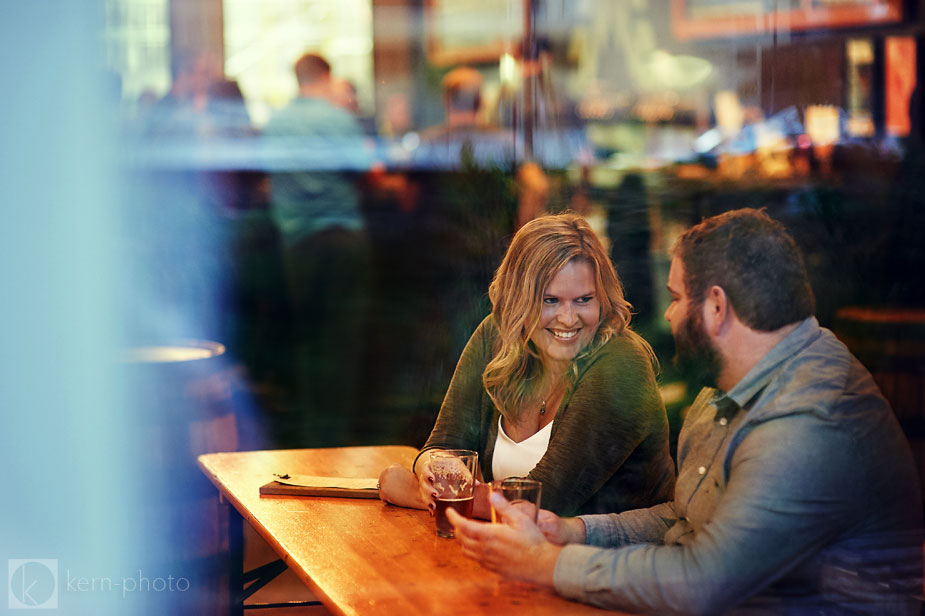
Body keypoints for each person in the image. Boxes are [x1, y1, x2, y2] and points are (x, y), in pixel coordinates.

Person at [448, 208, 924, 614]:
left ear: (716, 308)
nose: (669, 315)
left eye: (676, 298)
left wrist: (544, 564)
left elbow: (702, 582)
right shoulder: (725, 389)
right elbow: (684, 517)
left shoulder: (809, 422)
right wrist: (574, 531)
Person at [379, 211, 676, 518]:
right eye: (550, 300)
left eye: (584, 300)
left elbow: (544, 501)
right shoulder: (496, 336)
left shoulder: (621, 363)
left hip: (615, 560)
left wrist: (416, 492)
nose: (569, 318)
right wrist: (429, 467)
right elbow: (444, 444)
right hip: (524, 553)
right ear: (519, 298)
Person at [262, 52, 371, 446]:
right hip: (342, 237)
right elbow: (365, 168)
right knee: (342, 340)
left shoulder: (275, 124)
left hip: (298, 243)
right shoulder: (337, 118)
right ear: (325, 77)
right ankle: (339, 436)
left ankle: (312, 436)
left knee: (308, 340)